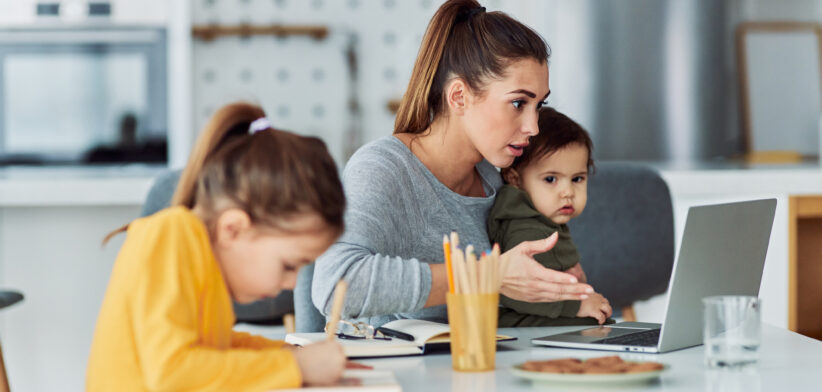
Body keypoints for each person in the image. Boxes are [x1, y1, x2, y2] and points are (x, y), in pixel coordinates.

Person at [312, 0, 593, 328]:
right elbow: (335, 288)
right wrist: (488, 275)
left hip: (496, 367)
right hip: (405, 375)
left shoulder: (501, 174)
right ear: (459, 96)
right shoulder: (385, 170)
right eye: (518, 103)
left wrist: (564, 290)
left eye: (538, 105)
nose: (533, 126)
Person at [87, 103, 348, 390]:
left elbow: (217, 348)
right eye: (288, 265)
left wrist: (288, 353)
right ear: (232, 229)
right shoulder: (171, 235)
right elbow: (174, 374)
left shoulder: (202, 258)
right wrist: (296, 366)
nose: (292, 282)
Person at [488, 107, 613, 327]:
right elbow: (517, 291)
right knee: (589, 323)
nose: (568, 192)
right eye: (550, 179)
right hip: (515, 330)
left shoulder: (543, 217)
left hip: (542, 321)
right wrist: (577, 305)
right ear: (515, 180)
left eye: (577, 179)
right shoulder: (525, 229)